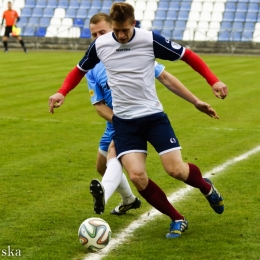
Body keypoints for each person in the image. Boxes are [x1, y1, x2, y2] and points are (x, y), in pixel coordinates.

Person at [49, 2, 228, 239]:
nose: (121, 35)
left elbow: (188, 56)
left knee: (175, 170)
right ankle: (177, 218)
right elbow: (79, 69)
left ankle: (206, 187)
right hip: (124, 123)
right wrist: (62, 91)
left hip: (153, 117)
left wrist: (213, 81)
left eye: (125, 30)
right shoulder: (101, 44)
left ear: (133, 23)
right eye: (116, 30)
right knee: (136, 176)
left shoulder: (149, 39)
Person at [85, 13, 218, 217]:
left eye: (102, 32)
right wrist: (122, 122)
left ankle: (121, 198)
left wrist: (195, 100)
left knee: (125, 159)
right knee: (102, 167)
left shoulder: (134, 50)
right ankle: (128, 199)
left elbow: (165, 77)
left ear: (114, 29)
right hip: (117, 122)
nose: (97, 37)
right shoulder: (92, 67)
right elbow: (99, 106)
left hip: (143, 117)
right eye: (93, 34)